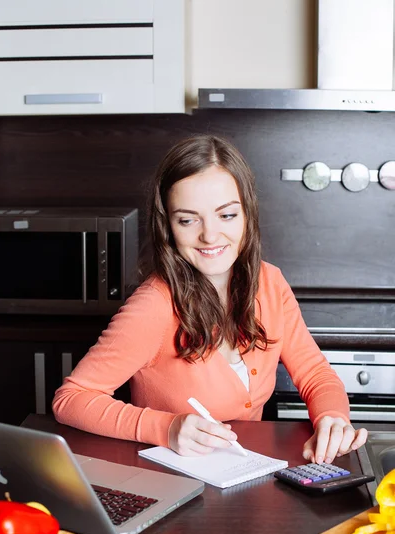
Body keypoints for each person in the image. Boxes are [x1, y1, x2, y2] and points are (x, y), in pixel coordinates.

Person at [53, 134, 368, 463]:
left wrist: (332, 417)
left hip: (246, 479)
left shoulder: (270, 282)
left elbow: (315, 374)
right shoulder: (153, 305)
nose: (210, 235)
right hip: (173, 486)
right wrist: (166, 427)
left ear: (247, 215)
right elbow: (71, 398)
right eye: (188, 220)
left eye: (227, 216)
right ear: (168, 227)